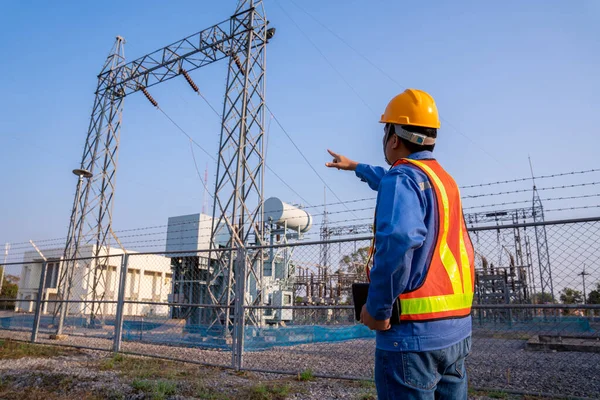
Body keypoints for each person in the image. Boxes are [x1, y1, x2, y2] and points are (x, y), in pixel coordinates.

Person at [325, 89, 475, 400]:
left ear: (394, 137)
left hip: (412, 339)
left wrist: (378, 309)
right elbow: (392, 179)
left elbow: (398, 241)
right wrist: (356, 167)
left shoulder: (403, 178)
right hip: (456, 333)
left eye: (385, 130)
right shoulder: (442, 180)